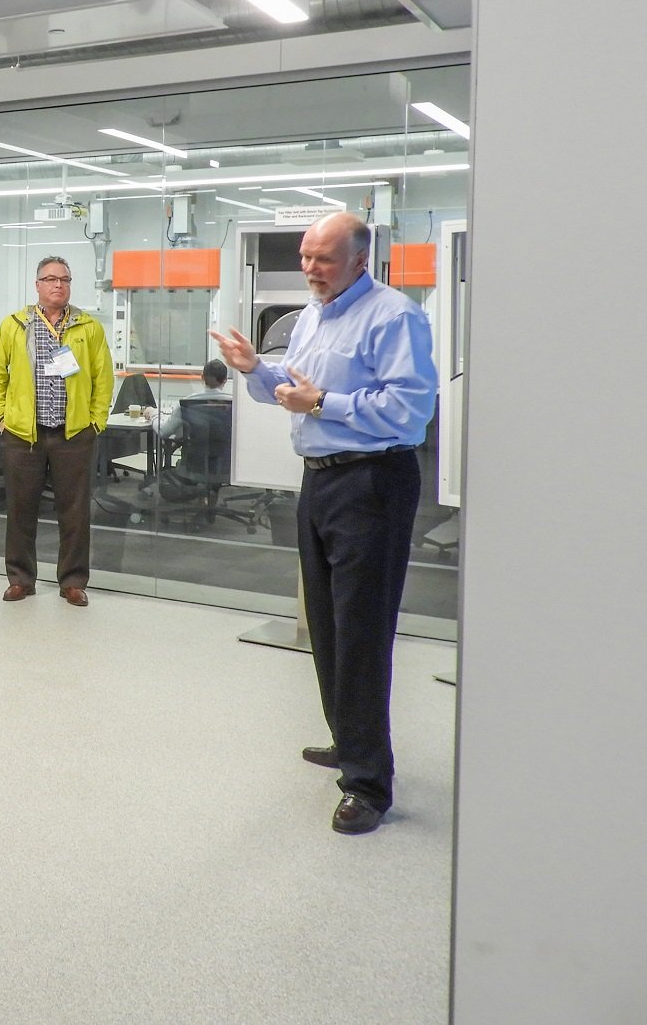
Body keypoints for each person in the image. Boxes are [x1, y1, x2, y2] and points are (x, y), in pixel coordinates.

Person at [210, 212, 435, 836]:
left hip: (373, 482)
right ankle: (349, 738)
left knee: (361, 629)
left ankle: (369, 783)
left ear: (360, 259)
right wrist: (256, 367)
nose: (309, 268)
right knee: (329, 625)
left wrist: (324, 404)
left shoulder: (394, 315)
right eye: (306, 256)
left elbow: (410, 409)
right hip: (321, 479)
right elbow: (289, 388)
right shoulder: (313, 314)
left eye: (323, 259)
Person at [0, 255, 113, 606]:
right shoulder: (14, 325)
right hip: (25, 435)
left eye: (65, 279)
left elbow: (104, 379)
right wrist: (0, 417)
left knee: (74, 512)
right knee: (20, 509)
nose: (59, 285)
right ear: (37, 285)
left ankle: (73, 581)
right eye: (51, 279)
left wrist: (95, 421)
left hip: (73, 436)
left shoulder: (88, 328)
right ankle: (21, 579)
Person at [159, 358, 232, 443]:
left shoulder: (186, 403)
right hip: (226, 455)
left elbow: (164, 432)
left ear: (202, 377)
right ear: (225, 380)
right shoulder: (234, 405)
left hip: (195, 455)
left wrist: (154, 415)